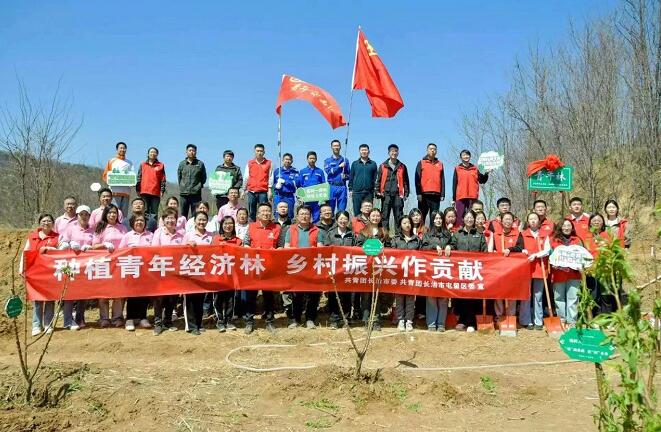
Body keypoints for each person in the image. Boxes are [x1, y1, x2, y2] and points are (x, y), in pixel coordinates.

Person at [242, 202, 281, 334]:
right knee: (250, 296)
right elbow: (245, 243)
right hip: (254, 266)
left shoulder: (276, 227)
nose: (265, 213)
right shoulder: (251, 226)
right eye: (263, 211)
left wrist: (275, 251)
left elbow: (280, 246)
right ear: (258, 214)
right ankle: (249, 322)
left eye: (268, 211)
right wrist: (252, 251)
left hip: (269, 268)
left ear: (271, 213)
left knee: (269, 296)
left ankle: (270, 321)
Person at [448, 210, 488, 331]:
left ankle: (472, 322)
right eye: (467, 217)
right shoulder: (457, 234)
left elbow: (485, 252)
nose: (469, 220)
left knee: (473, 296)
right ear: (463, 219)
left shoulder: (479, 235)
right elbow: (452, 246)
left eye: (471, 218)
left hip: (475, 270)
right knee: (461, 295)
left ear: (474, 220)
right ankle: (462, 320)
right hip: (460, 270)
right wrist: (449, 246)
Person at [21, 213, 59, 335]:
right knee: (37, 299)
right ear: (40, 223)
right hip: (35, 272)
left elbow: (62, 251)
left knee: (50, 299)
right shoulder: (32, 236)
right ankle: (36, 325)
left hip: (51, 272)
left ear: (53, 223)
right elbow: (25, 252)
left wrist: (52, 249)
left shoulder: (57, 237)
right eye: (44, 221)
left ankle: (48, 324)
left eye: (49, 221)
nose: (46, 223)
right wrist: (22, 268)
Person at [285, 206, 322, 329]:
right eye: (302, 214)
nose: (304, 216)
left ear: (310, 216)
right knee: (297, 295)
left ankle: (310, 319)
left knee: (313, 295)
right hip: (296, 266)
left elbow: (320, 248)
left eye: (307, 214)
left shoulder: (317, 230)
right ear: (297, 216)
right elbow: (286, 247)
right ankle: (295, 319)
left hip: (312, 267)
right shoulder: (291, 230)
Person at [59, 205, 94, 330]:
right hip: (72, 264)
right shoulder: (70, 228)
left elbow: (96, 244)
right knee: (70, 293)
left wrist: (90, 247)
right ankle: (68, 321)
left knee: (83, 293)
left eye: (86, 215)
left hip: (87, 265)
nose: (84, 217)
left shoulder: (92, 230)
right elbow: (62, 243)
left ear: (89, 216)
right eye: (81, 214)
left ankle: (80, 318)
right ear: (77, 216)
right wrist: (69, 244)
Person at [92, 204, 128, 328]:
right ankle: (104, 318)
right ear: (105, 214)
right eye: (110, 212)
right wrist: (104, 245)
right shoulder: (100, 227)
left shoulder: (123, 227)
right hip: (104, 263)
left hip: (119, 263)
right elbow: (94, 246)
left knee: (119, 291)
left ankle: (117, 317)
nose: (112, 215)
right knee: (104, 291)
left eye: (114, 213)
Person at [151, 208, 185, 335]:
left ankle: (168, 320)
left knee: (172, 297)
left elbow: (184, 251)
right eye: (168, 218)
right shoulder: (158, 232)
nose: (170, 220)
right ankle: (158, 322)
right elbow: (154, 249)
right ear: (163, 220)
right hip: (161, 270)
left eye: (173, 218)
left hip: (175, 271)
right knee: (159, 297)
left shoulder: (182, 234)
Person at [355, 208, 390, 331]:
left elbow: (390, 248)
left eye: (377, 216)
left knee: (377, 295)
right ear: (369, 217)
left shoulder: (384, 232)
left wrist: (384, 248)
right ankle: (365, 320)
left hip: (379, 268)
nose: (375, 218)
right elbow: (358, 247)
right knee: (366, 295)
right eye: (373, 215)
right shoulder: (363, 232)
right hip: (366, 268)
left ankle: (376, 320)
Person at [118, 214, 154, 331]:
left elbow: (155, 250)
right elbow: (121, 251)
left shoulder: (150, 235)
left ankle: (143, 317)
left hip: (146, 270)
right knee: (132, 294)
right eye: (137, 220)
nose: (139, 222)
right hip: (131, 269)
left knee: (144, 294)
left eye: (141, 220)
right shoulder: (127, 236)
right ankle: (130, 318)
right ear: (132, 223)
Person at [488, 212, 524, 325]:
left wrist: (510, 249)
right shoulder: (496, 234)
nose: (507, 221)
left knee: (511, 293)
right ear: (501, 221)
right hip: (498, 268)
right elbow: (491, 249)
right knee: (498, 293)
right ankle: (499, 315)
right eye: (505, 219)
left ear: (513, 221)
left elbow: (520, 247)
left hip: (513, 268)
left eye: (510, 219)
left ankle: (511, 315)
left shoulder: (518, 234)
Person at [181, 211, 213, 335]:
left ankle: (199, 323)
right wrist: (187, 244)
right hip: (190, 271)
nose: (201, 222)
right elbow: (180, 251)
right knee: (190, 299)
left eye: (204, 220)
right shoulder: (188, 235)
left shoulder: (210, 236)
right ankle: (191, 325)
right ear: (194, 221)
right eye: (199, 220)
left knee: (200, 299)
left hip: (204, 272)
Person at [390, 215, 423, 332]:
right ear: (400, 225)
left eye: (408, 222)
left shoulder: (416, 239)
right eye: (404, 223)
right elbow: (392, 254)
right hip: (399, 273)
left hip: (412, 273)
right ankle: (400, 320)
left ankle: (409, 320)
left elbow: (421, 255)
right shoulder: (395, 239)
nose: (407, 225)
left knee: (410, 298)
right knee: (399, 298)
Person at [324, 211, 355, 329]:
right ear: (336, 220)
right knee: (333, 295)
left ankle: (346, 319)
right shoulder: (331, 234)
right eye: (340, 219)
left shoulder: (352, 234)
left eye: (345, 219)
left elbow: (356, 250)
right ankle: (334, 319)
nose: (343, 221)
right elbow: (326, 250)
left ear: (348, 220)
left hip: (348, 269)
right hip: (334, 268)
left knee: (347, 295)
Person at [520, 212, 551, 331]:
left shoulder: (544, 235)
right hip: (526, 268)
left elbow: (548, 250)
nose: (533, 221)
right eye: (531, 219)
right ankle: (526, 320)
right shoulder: (523, 234)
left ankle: (538, 320)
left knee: (538, 295)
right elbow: (520, 247)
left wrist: (537, 255)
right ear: (528, 221)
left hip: (540, 267)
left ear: (539, 221)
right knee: (526, 294)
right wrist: (523, 251)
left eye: (535, 219)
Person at [550, 220, 583, 328]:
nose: (566, 228)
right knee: (559, 298)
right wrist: (553, 263)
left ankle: (572, 321)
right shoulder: (554, 240)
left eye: (569, 225)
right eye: (564, 225)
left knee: (573, 298)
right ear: (560, 227)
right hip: (558, 273)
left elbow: (583, 254)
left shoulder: (577, 240)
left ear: (572, 228)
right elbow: (550, 254)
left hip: (574, 274)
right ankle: (561, 319)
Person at [212, 216, 242, 332]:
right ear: (221, 226)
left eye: (230, 223)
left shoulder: (238, 241)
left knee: (230, 299)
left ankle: (229, 320)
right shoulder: (216, 239)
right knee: (218, 298)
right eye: (225, 223)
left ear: (234, 226)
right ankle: (219, 320)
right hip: (218, 275)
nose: (228, 226)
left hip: (232, 275)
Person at [424, 210, 453, 331]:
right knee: (431, 297)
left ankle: (441, 323)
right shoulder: (427, 234)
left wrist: (450, 246)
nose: (438, 220)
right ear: (432, 220)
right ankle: (431, 323)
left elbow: (455, 245)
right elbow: (422, 247)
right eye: (436, 218)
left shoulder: (448, 234)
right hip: (431, 269)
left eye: (440, 218)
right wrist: (433, 246)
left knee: (443, 297)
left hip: (445, 269)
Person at [375, 144, 410, 230]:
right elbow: (378, 180)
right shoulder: (383, 166)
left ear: (398, 153)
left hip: (398, 195)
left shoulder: (402, 166)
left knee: (399, 216)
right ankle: (385, 235)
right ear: (388, 153)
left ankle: (398, 236)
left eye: (396, 151)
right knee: (384, 216)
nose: (394, 153)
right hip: (385, 195)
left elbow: (406, 181)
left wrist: (406, 193)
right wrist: (377, 191)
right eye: (392, 151)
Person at [452, 149, 489, 218]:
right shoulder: (457, 169)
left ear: (470, 156)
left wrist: (486, 173)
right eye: (464, 155)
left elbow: (482, 180)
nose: (466, 156)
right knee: (459, 217)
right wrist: (454, 199)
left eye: (467, 155)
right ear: (461, 157)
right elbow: (454, 184)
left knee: (473, 216)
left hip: (472, 196)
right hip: (461, 196)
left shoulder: (475, 169)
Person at [415, 143, 445, 225]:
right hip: (424, 195)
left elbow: (442, 180)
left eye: (434, 149)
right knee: (421, 216)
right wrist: (418, 193)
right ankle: (420, 232)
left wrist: (442, 194)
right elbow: (417, 179)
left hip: (436, 195)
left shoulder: (440, 164)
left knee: (434, 217)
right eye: (431, 149)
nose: (433, 150)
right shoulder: (421, 162)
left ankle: (433, 232)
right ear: (427, 150)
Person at [242, 144, 273, 222]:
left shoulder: (269, 163)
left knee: (263, 211)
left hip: (263, 191)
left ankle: (263, 225)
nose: (259, 153)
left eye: (261, 151)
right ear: (254, 152)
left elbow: (270, 177)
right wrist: (243, 190)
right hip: (251, 191)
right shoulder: (250, 163)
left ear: (264, 152)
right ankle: (252, 225)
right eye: (257, 151)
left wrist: (270, 190)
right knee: (252, 211)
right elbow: (246, 177)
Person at [102, 141, 133, 216]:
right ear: (117, 149)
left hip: (126, 192)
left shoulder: (130, 163)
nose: (123, 150)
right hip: (114, 192)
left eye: (124, 148)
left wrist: (132, 182)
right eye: (121, 148)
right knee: (113, 213)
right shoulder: (111, 161)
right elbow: (105, 176)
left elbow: (132, 176)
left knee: (123, 215)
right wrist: (111, 180)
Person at [177, 144, 207, 219]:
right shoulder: (182, 164)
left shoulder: (200, 164)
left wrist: (198, 186)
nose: (191, 152)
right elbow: (179, 177)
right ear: (186, 152)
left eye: (193, 150)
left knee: (195, 214)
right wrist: (182, 186)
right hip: (184, 193)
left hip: (196, 193)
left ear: (196, 152)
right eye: (190, 150)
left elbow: (203, 177)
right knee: (183, 215)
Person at [136, 146, 166, 219]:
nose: (153, 153)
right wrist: (138, 189)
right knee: (144, 211)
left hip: (155, 192)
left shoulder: (161, 165)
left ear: (157, 154)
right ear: (148, 154)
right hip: (144, 191)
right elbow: (139, 177)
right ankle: (144, 225)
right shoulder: (143, 164)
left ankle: (153, 226)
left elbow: (163, 179)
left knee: (154, 213)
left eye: (155, 152)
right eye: (151, 152)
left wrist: (162, 190)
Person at [297, 151, 326, 223]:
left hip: (317, 199)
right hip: (306, 198)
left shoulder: (320, 171)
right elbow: (299, 186)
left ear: (316, 159)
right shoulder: (303, 171)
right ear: (307, 159)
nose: (312, 160)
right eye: (310, 158)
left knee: (316, 217)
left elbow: (323, 185)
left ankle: (315, 229)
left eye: (314, 158)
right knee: (306, 216)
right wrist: (299, 197)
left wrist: (323, 199)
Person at [348, 144, 377, 215]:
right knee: (357, 213)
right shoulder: (355, 164)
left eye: (365, 150)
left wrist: (375, 190)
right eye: (362, 150)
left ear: (369, 151)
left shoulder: (373, 164)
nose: (364, 151)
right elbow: (351, 177)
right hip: (357, 192)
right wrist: (350, 189)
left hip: (369, 193)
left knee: (368, 213)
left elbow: (375, 178)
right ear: (359, 151)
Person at [324, 139, 350, 213]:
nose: (336, 147)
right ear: (331, 147)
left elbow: (349, 175)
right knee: (329, 210)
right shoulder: (327, 161)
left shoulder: (345, 160)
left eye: (338, 146)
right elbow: (329, 172)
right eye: (334, 146)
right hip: (331, 187)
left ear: (340, 147)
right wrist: (339, 166)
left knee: (341, 210)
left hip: (342, 187)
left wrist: (345, 176)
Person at [272, 153, 298, 220]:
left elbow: (296, 184)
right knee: (277, 215)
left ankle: (288, 226)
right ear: (282, 160)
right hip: (278, 195)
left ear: (292, 161)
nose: (287, 161)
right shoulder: (277, 171)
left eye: (289, 159)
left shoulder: (295, 171)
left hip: (289, 196)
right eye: (286, 159)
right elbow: (272, 183)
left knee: (289, 214)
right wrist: (276, 185)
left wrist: (285, 182)